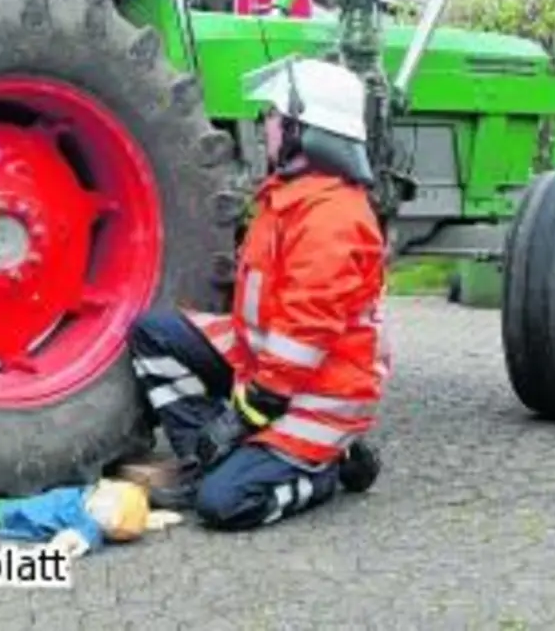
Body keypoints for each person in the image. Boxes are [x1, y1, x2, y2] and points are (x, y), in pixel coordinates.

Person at [126, 55, 391, 531]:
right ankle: (208, 460)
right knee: (155, 334)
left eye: (273, 117)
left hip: (314, 397)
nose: (264, 125)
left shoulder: (332, 219)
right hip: (265, 367)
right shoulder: (290, 197)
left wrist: (243, 417)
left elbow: (302, 341)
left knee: (223, 505)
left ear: (304, 131)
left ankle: (329, 469)